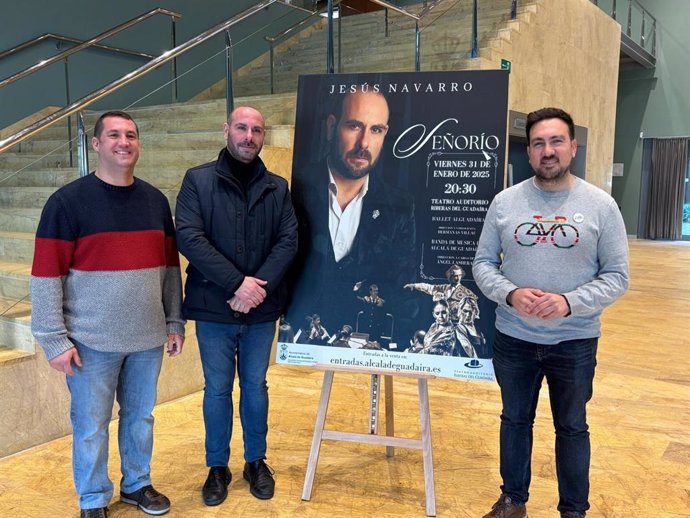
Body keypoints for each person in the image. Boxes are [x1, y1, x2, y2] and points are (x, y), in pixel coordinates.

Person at [472, 107, 629, 518]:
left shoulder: (601, 206)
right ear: (529, 152)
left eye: (556, 141)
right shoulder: (506, 202)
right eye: (539, 143)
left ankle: (573, 511)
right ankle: (513, 500)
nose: (548, 150)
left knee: (572, 428)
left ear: (572, 147)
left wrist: (568, 302)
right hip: (514, 339)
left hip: (574, 341)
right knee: (515, 421)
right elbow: (483, 264)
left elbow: (617, 276)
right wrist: (510, 294)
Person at [30, 111, 185, 518]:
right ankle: (94, 498)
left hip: (147, 338)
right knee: (90, 427)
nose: (124, 142)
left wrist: (174, 321)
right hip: (89, 343)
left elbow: (171, 269)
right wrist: (53, 339)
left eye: (131, 135)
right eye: (113, 135)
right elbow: (47, 275)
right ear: (95, 144)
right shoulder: (66, 202)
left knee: (140, 418)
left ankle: (137, 484)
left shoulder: (154, 201)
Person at [175, 106, 298, 506]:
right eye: (242, 128)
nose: (249, 136)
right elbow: (190, 238)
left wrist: (255, 289)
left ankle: (255, 461)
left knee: (256, 387)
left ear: (263, 137)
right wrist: (238, 284)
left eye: (257, 130)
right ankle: (216, 466)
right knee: (216, 390)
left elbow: (288, 241)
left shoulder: (278, 187)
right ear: (227, 129)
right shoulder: (198, 180)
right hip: (214, 308)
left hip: (262, 310)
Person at [288, 87, 416, 340]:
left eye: (376, 130)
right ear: (331, 127)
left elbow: (402, 288)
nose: (364, 144)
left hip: (365, 338)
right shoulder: (294, 188)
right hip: (299, 340)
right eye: (354, 126)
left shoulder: (399, 206)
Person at [404, 264, 477, 304]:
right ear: (450, 276)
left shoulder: (467, 293)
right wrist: (413, 286)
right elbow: (428, 287)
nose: (457, 278)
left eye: (459, 275)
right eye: (455, 276)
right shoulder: (443, 288)